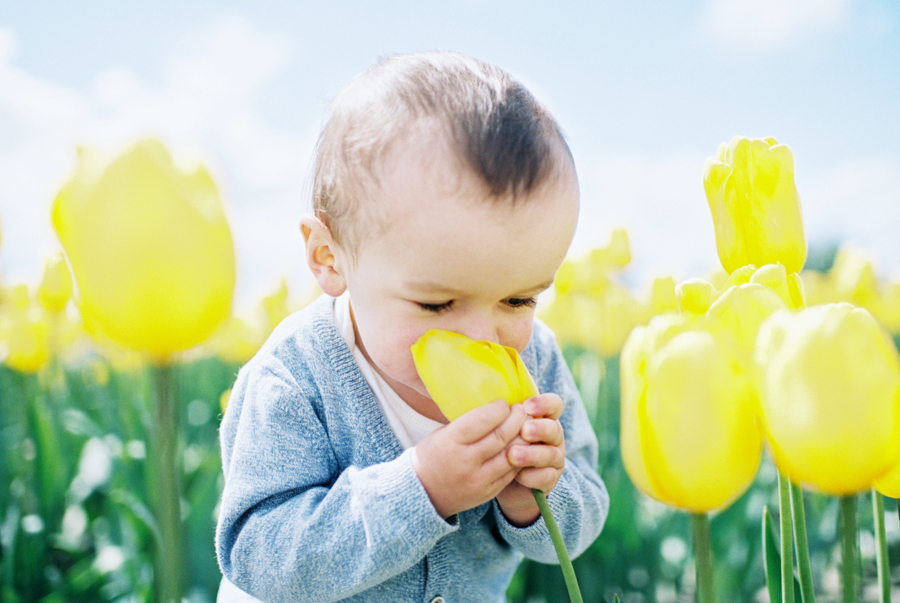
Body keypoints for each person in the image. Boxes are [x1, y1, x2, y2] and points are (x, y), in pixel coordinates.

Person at [215, 50, 608, 603]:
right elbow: (260, 554)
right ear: (330, 257)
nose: (481, 336)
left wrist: (535, 499)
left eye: (518, 300)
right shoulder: (295, 377)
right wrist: (419, 490)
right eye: (437, 304)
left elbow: (583, 517)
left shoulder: (536, 362)